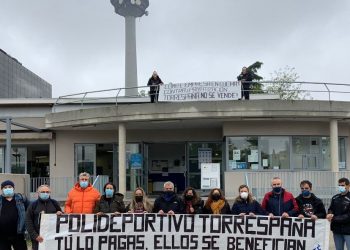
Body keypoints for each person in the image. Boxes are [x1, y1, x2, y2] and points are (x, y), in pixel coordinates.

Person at [25, 185, 63, 250]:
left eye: (47, 192)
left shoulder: (54, 203)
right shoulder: (33, 205)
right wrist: (35, 236)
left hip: (52, 236)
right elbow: (28, 221)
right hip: (38, 238)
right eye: (43, 192)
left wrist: (60, 213)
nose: (45, 193)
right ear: (38, 193)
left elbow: (62, 217)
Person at [0, 180, 29, 250]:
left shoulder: (21, 199)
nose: (7, 189)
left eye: (10, 187)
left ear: (13, 188)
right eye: (5, 187)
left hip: (19, 234)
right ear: (1, 189)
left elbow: (32, 209)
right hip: (2, 236)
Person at [327, 177, 350, 250]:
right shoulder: (335, 198)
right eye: (339, 185)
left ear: (348, 186)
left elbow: (348, 215)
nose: (341, 187)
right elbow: (330, 209)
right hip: (336, 230)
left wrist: (334, 218)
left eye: (343, 185)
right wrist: (329, 214)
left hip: (348, 230)